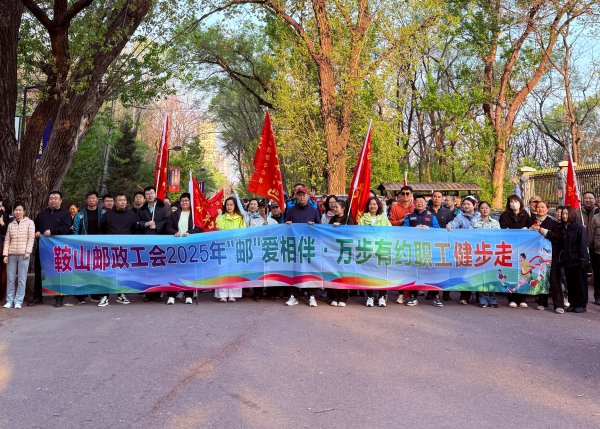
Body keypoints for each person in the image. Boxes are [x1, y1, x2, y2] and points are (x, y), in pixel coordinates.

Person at [31, 191, 71, 307]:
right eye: (51, 198)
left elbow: (66, 228)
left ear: (60, 200)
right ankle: (38, 297)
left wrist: (52, 232)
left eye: (56, 198)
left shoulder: (65, 214)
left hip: (58, 250)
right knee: (39, 272)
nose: (53, 200)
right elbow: (35, 227)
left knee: (58, 273)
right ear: (48, 200)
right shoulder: (42, 214)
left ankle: (58, 297)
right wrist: (36, 232)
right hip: (43, 249)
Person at [97, 193, 137, 307]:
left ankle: (121, 294)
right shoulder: (108, 215)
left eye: (124, 200)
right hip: (110, 249)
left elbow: (135, 230)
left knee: (123, 272)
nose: (122, 202)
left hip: (125, 249)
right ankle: (105, 296)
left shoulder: (131, 215)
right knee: (108, 272)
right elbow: (101, 230)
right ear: (115, 202)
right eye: (120, 200)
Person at [284, 185, 321, 307]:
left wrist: (314, 225)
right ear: (296, 196)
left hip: (309, 245)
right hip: (295, 246)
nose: (302, 197)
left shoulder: (314, 210)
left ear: (308, 196)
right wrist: (288, 224)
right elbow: (285, 226)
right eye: (299, 195)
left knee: (310, 270)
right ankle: (294, 296)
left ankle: (311, 296)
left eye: (304, 195)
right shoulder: (291, 210)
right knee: (294, 270)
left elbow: (320, 227)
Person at [164, 192, 202, 305]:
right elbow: (167, 227)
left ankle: (188, 295)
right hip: (175, 246)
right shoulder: (174, 214)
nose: (184, 202)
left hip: (189, 246)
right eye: (182, 200)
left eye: (186, 200)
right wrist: (174, 232)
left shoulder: (195, 215)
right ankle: (171, 295)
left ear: (191, 202)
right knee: (173, 270)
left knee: (188, 270)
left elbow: (200, 228)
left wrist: (190, 232)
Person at [403, 195, 441, 307]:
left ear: (425, 203)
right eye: (417, 201)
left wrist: (429, 229)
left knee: (433, 273)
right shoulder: (409, 217)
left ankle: (436, 297)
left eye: (422, 201)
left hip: (429, 249)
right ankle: (413, 297)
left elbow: (438, 230)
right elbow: (403, 231)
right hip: (414, 249)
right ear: (414, 203)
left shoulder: (432, 217)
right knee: (414, 273)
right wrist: (413, 229)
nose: (419, 203)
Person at [499, 194, 533, 308]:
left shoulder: (525, 214)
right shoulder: (504, 215)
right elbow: (504, 230)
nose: (514, 204)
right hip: (510, 248)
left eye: (516, 201)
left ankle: (523, 298)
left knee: (523, 272)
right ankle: (512, 298)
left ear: (520, 202)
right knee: (512, 272)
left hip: (524, 248)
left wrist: (527, 229)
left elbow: (531, 228)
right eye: (511, 202)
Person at [530, 201, 564, 314]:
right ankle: (542, 302)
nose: (540, 209)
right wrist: (530, 230)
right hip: (536, 255)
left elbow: (557, 237)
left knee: (554, 279)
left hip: (551, 255)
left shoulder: (553, 222)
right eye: (538, 207)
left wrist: (544, 231)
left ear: (547, 209)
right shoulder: (531, 220)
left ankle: (558, 305)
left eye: (542, 207)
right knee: (540, 278)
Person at [136, 186, 169, 302]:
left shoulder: (164, 207)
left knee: (158, 266)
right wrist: (145, 224)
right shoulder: (141, 209)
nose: (149, 195)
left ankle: (158, 293)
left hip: (160, 241)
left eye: (151, 193)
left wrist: (157, 225)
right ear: (145, 196)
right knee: (147, 267)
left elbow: (167, 220)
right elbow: (137, 222)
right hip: (146, 241)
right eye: (147, 194)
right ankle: (148, 293)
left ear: (155, 194)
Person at [358, 196, 392, 307]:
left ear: (378, 206)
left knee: (382, 274)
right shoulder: (363, 219)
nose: (372, 206)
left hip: (381, 249)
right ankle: (370, 296)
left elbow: (390, 232)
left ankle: (382, 296)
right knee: (369, 274)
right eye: (370, 204)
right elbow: (359, 233)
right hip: (368, 250)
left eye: (374, 204)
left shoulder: (384, 218)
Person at [447, 195, 480, 305]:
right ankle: (464, 296)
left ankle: (479, 296)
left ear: (474, 205)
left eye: (468, 204)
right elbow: (455, 223)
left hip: (478, 248)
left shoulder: (479, 215)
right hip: (466, 248)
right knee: (465, 272)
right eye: (464, 204)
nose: (466, 206)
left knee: (478, 272)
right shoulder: (460, 216)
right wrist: (450, 225)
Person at [2, 202, 35, 309]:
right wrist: (5, 254)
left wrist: (28, 252)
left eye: (20, 210)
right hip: (11, 254)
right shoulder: (11, 224)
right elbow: (7, 240)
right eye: (16, 210)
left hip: (23, 255)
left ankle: (18, 301)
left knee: (21, 279)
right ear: (13, 212)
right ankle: (9, 300)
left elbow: (31, 238)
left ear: (24, 211)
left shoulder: (30, 223)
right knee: (10, 279)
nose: (18, 212)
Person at [72, 191, 102, 304]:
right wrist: (76, 244)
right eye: (89, 198)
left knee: (96, 270)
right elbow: (75, 230)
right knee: (83, 270)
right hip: (83, 247)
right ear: (86, 200)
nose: (91, 200)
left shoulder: (103, 212)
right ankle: (81, 295)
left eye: (93, 198)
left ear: (97, 200)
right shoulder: (80, 214)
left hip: (99, 247)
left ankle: (95, 294)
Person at [215, 196, 246, 302]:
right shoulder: (221, 217)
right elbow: (219, 229)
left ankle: (233, 294)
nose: (229, 206)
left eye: (231, 205)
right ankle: (223, 294)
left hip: (236, 247)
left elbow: (242, 231)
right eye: (227, 205)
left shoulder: (240, 218)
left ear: (235, 206)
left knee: (234, 270)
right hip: (223, 246)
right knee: (223, 271)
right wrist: (219, 216)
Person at [560, 206, 589, 313]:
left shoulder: (579, 227)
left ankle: (581, 304)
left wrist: (583, 259)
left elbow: (583, 244)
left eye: (566, 214)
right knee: (570, 283)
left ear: (572, 214)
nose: (564, 216)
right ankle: (573, 303)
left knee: (580, 283)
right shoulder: (562, 228)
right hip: (567, 260)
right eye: (563, 214)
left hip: (578, 260)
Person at [472, 201, 500, 308]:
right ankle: (482, 298)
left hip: (492, 252)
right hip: (479, 252)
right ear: (479, 210)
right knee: (481, 275)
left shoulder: (495, 222)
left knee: (492, 275)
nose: (485, 210)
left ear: (490, 209)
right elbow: (469, 235)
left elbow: (499, 236)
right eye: (482, 208)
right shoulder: (474, 221)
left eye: (487, 208)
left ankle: (492, 299)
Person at [328, 199, 353, 307]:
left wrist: (342, 226)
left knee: (343, 274)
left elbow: (352, 233)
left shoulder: (348, 219)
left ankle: (343, 298)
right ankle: (333, 297)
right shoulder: (331, 219)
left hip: (344, 250)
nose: (335, 209)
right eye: (334, 207)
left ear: (343, 208)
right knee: (333, 273)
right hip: (333, 250)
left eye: (337, 207)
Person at [581, 192, 599, 305]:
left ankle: (597, 295)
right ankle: (582, 296)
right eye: (586, 198)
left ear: (595, 200)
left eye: (590, 198)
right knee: (583, 272)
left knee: (597, 272)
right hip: (582, 247)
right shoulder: (578, 212)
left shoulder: (597, 212)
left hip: (595, 247)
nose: (588, 200)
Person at [0, 196, 12, 302]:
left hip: (2, 246)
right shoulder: (7, 216)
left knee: (3, 271)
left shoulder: (4, 215)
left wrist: (3, 224)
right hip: (3, 247)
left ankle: (1, 295)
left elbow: (6, 233)